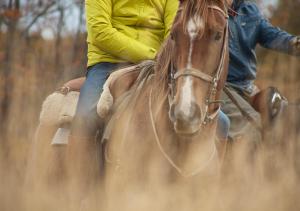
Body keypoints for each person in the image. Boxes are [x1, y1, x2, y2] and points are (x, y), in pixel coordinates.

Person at [222, 0, 300, 143]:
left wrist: (296, 43)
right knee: (253, 125)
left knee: (282, 115)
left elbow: (273, 36)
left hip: (248, 88)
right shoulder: (209, 10)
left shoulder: (250, 11)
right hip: (222, 87)